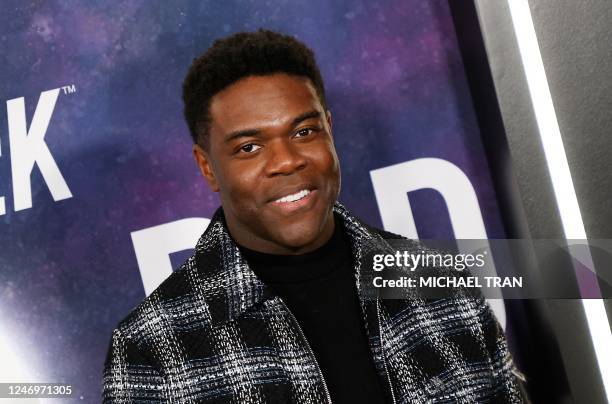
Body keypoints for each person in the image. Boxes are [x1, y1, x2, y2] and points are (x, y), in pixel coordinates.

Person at [103, 29, 527, 403]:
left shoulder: (437, 281)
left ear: (329, 128)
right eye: (249, 147)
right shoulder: (151, 349)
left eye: (304, 132)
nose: (286, 161)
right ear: (208, 167)